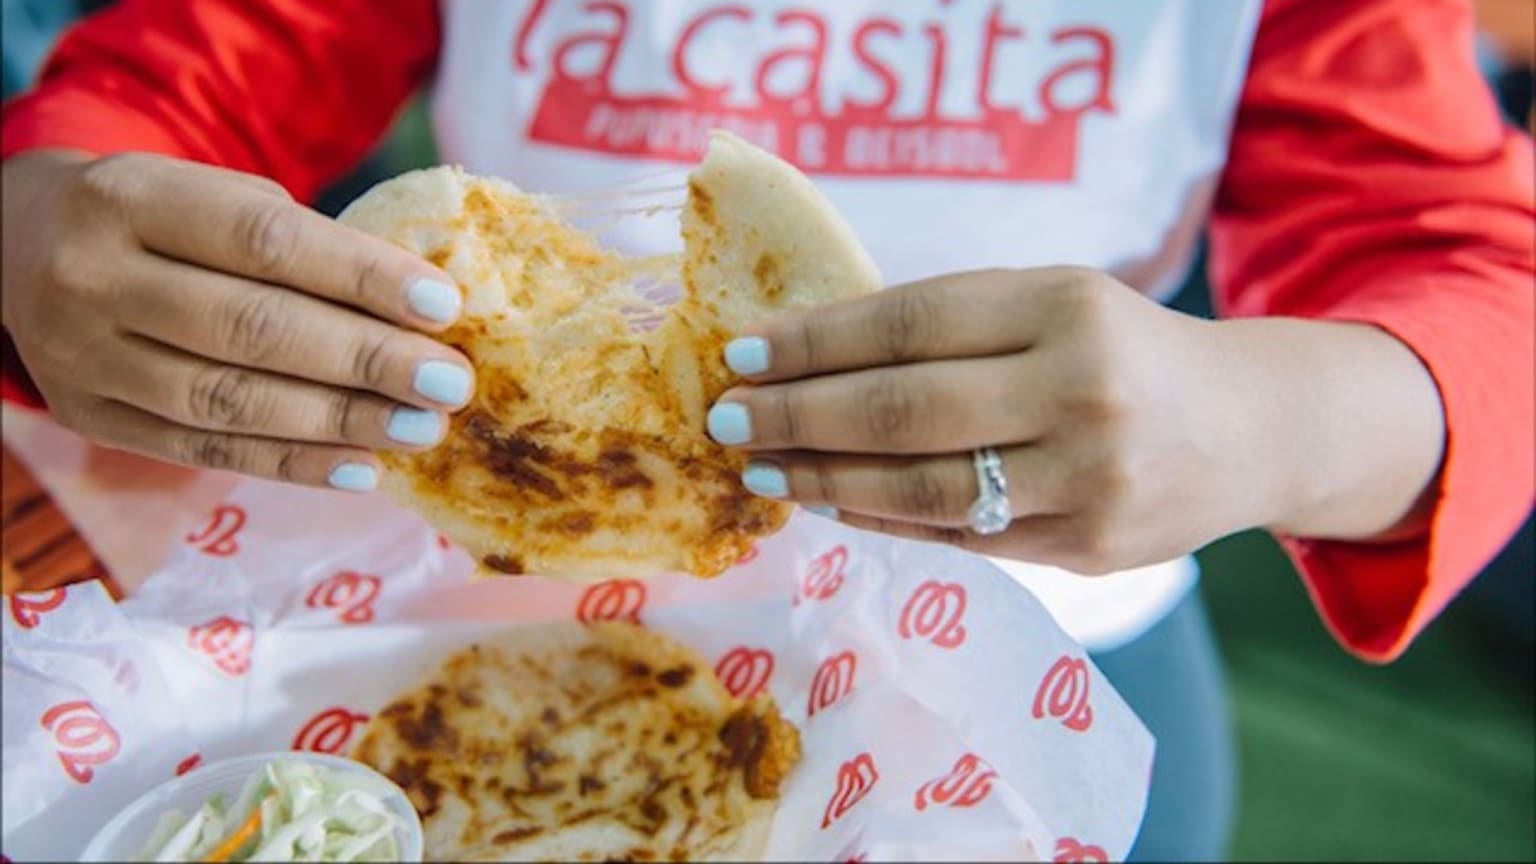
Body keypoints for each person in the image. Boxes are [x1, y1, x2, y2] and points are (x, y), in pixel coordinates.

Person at [2, 1, 1531, 859]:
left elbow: (1473, 265)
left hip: (1054, 640)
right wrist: (49, 217)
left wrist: (1284, 417)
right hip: (472, 633)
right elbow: (189, 69)